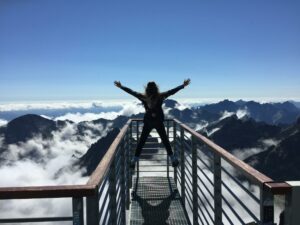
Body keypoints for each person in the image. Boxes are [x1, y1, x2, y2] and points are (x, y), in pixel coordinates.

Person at [114, 79, 191, 169]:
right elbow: (172, 91)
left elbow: (132, 92)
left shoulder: (143, 97)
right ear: (156, 88)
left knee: (141, 142)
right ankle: (173, 159)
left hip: (148, 122)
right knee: (165, 141)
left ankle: (134, 160)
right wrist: (182, 85)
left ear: (147, 89)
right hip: (158, 122)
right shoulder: (161, 96)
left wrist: (121, 86)